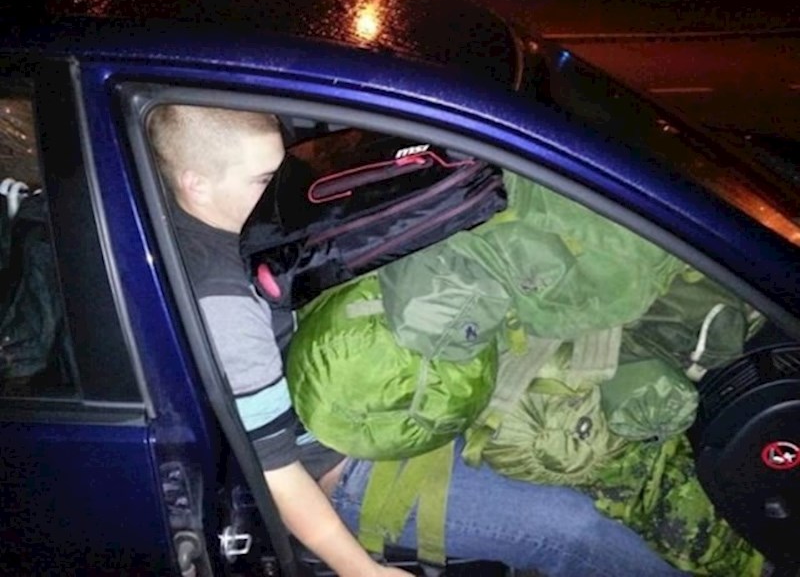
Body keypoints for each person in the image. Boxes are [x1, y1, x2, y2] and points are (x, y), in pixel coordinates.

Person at [147, 104, 687, 577]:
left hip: (379, 380)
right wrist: (359, 569)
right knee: (574, 530)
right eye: (265, 179)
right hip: (345, 465)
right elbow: (276, 471)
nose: (278, 192)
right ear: (197, 183)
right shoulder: (223, 304)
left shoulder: (234, 222)